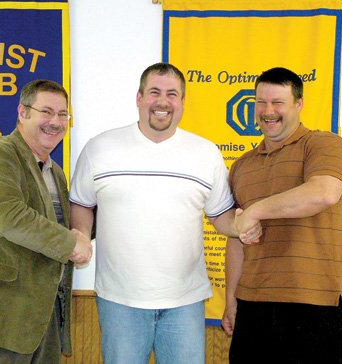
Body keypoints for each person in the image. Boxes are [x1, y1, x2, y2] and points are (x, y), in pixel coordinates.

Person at [69, 62, 260, 364]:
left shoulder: (205, 153)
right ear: (139, 98)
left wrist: (244, 226)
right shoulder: (99, 149)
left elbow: (222, 216)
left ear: (183, 102)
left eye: (172, 94)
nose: (162, 101)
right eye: (154, 92)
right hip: (120, 301)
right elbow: (81, 202)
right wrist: (79, 235)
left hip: (184, 302)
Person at [0, 80, 92, 363]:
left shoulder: (55, 171)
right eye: (46, 112)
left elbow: (61, 226)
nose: (55, 122)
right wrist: (73, 244)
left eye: (63, 114)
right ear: (22, 112)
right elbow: (8, 218)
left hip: (39, 321)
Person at [222, 67, 342, 363]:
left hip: (314, 301)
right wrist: (231, 300)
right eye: (260, 102)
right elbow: (236, 236)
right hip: (252, 302)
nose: (268, 111)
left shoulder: (324, 144)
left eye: (278, 102)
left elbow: (323, 193)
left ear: (298, 104)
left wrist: (255, 210)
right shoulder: (241, 166)